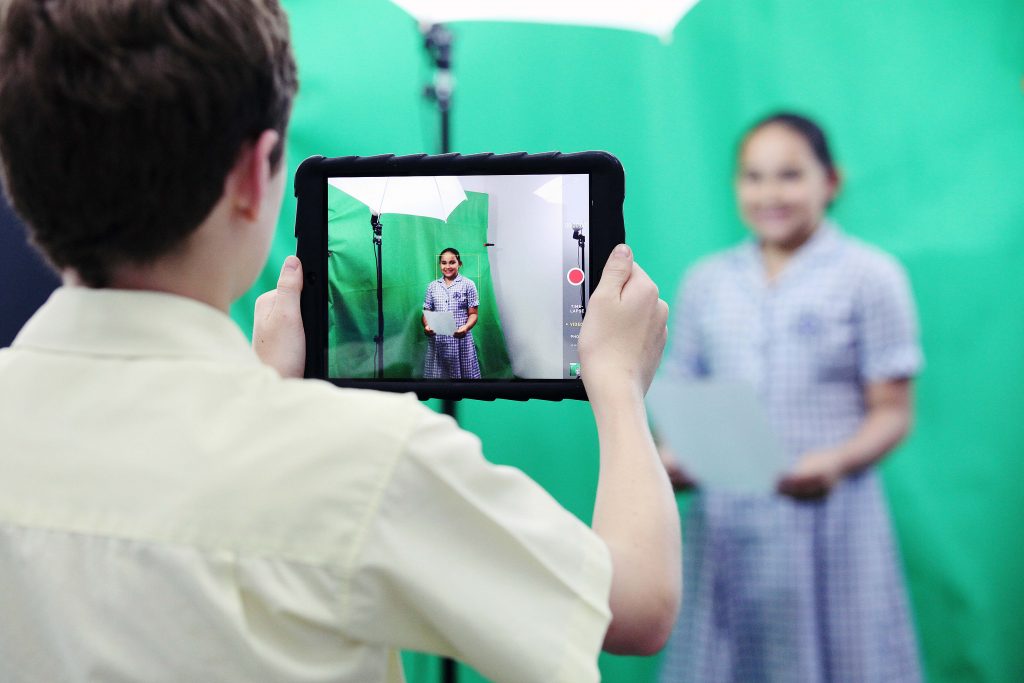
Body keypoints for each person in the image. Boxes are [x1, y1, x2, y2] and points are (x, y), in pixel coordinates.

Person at [0, 2, 679, 682]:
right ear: (254, 170)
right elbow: (637, 603)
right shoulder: (370, 461)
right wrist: (617, 384)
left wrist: (269, 392)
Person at [659, 113, 923, 682]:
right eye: (753, 177)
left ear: (831, 182)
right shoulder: (707, 281)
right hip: (726, 519)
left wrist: (834, 462)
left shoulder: (870, 277)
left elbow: (893, 412)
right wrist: (673, 456)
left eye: (789, 175)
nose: (769, 193)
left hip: (830, 521)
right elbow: (680, 391)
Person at [422, 247, 481, 379]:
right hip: (439, 340)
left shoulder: (468, 284)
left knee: (464, 379)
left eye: (452, 262)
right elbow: (427, 312)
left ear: (459, 264)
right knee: (439, 379)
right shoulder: (432, 286)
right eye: (444, 263)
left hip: (461, 340)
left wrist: (465, 328)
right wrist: (427, 326)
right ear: (439, 264)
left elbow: (473, 314)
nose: (447, 266)